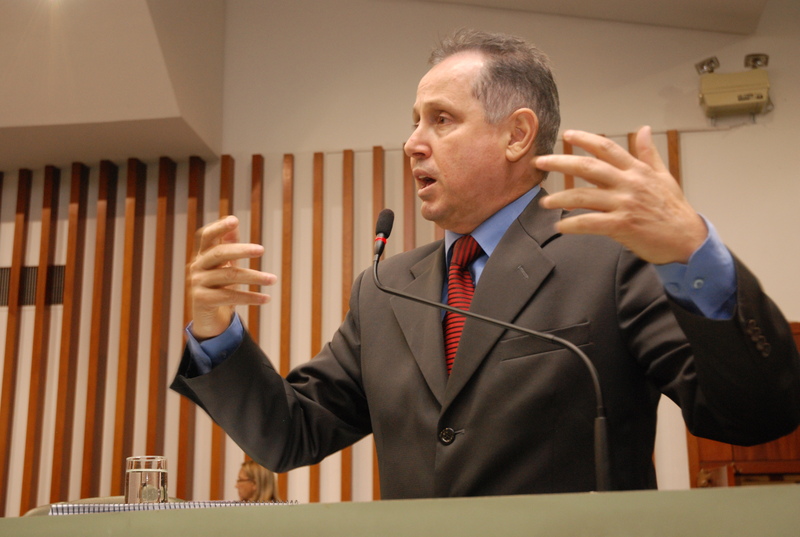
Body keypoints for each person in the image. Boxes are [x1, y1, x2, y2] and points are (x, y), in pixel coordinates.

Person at [172, 29, 800, 498]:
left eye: (441, 120)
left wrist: (693, 254)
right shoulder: (386, 288)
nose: (412, 143)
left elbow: (754, 416)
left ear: (517, 135)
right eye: (414, 122)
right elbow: (289, 435)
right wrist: (215, 332)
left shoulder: (612, 259)